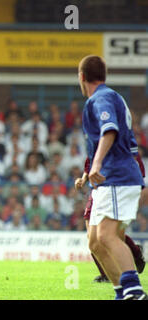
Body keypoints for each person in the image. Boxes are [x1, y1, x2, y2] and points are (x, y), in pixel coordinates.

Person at [78, 55, 146, 300]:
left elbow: (110, 130)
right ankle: (122, 292)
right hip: (108, 179)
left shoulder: (101, 98)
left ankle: (135, 291)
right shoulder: (112, 95)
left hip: (117, 175)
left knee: (107, 235)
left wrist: (96, 163)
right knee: (95, 242)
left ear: (82, 77)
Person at [75, 156, 146, 282]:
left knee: (112, 235)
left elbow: (137, 165)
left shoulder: (119, 142)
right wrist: (83, 179)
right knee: (93, 239)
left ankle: (135, 256)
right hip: (96, 192)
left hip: (114, 189)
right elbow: (89, 163)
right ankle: (107, 274)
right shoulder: (96, 142)